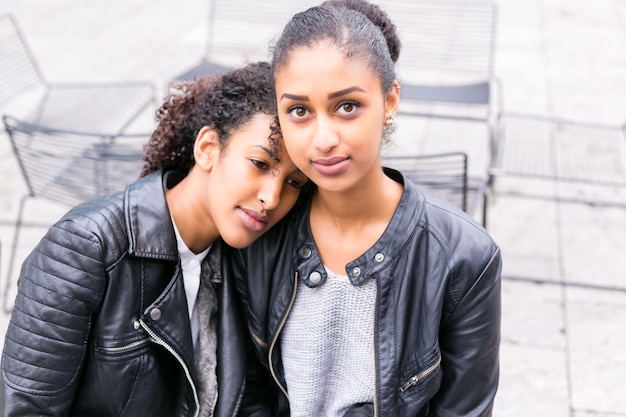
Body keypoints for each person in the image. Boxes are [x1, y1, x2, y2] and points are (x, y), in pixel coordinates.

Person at [231, 1, 502, 416]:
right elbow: (250, 394)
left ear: (389, 101)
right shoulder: (262, 233)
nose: (323, 139)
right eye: (299, 111)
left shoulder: (463, 258)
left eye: (347, 106)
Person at [1, 61, 307, 416]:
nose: (272, 197)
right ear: (208, 148)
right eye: (259, 163)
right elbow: (28, 408)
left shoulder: (246, 257)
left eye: (294, 182)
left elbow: (250, 395)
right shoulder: (85, 247)